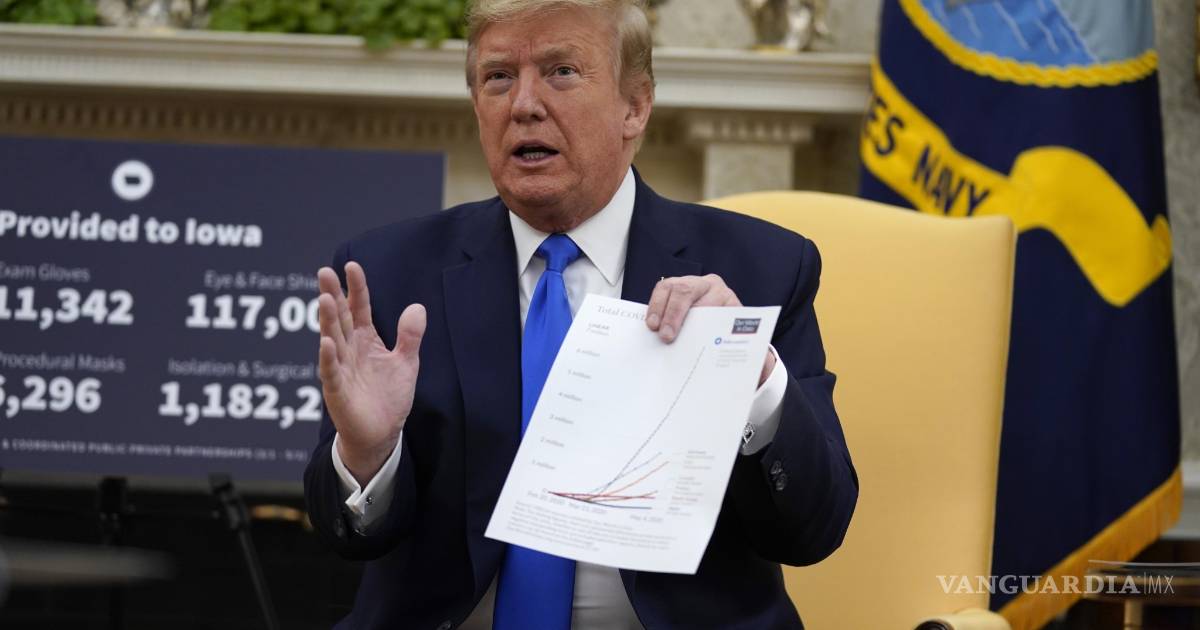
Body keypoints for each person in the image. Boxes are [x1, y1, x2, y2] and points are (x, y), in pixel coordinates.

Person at [303, 1, 857, 628]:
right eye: (498, 77)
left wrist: (750, 374)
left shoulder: (759, 270)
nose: (523, 105)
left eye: (561, 72)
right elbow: (345, 536)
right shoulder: (388, 273)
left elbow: (815, 529)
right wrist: (368, 452)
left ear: (634, 107)